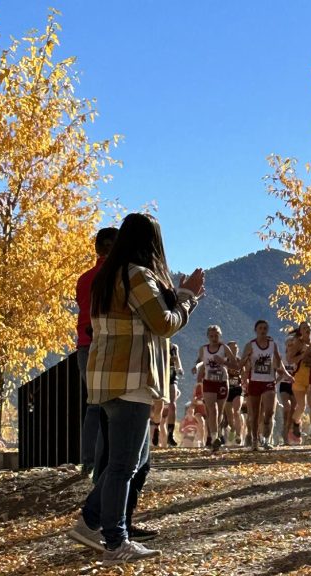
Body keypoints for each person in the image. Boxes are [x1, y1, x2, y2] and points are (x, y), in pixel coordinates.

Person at [66, 213, 204, 564]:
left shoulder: (106, 277)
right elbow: (164, 323)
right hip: (131, 379)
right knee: (124, 464)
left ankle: (90, 523)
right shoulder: (136, 274)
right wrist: (187, 297)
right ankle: (115, 541)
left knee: (131, 460)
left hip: (107, 377)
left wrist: (178, 295)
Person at [76, 227, 118, 476]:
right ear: (111, 247)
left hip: (84, 344)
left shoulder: (84, 278)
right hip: (106, 342)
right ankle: (107, 460)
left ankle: (89, 459)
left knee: (93, 403)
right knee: (112, 404)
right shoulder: (116, 277)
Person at [240, 320, 291, 451]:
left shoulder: (272, 345)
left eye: (265, 328)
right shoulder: (250, 345)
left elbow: (279, 363)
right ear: (256, 330)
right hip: (255, 382)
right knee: (255, 414)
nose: (263, 330)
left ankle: (266, 439)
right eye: (260, 328)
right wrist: (242, 370)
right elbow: (241, 363)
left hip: (268, 382)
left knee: (269, 412)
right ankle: (255, 440)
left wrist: (286, 374)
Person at [193, 326, 239, 452]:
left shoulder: (224, 348)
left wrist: (223, 362)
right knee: (212, 410)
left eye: (216, 336)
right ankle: (214, 438)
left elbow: (236, 365)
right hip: (209, 383)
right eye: (212, 336)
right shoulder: (203, 349)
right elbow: (200, 361)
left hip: (222, 383)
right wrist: (195, 367)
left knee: (218, 413)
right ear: (208, 337)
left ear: (220, 335)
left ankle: (215, 435)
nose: (214, 338)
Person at [286, 322, 311, 444]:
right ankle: (295, 424)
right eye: (304, 328)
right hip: (298, 378)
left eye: (308, 327)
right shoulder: (298, 343)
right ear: (300, 331)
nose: (307, 329)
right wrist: (302, 355)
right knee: (302, 406)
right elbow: (289, 359)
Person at [224, 341, 245, 446]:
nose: (235, 350)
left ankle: (238, 435)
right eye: (232, 348)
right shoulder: (224, 361)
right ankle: (232, 428)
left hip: (238, 389)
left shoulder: (240, 361)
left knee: (236, 411)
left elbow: (244, 373)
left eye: (236, 348)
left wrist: (246, 382)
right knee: (229, 416)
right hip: (227, 390)